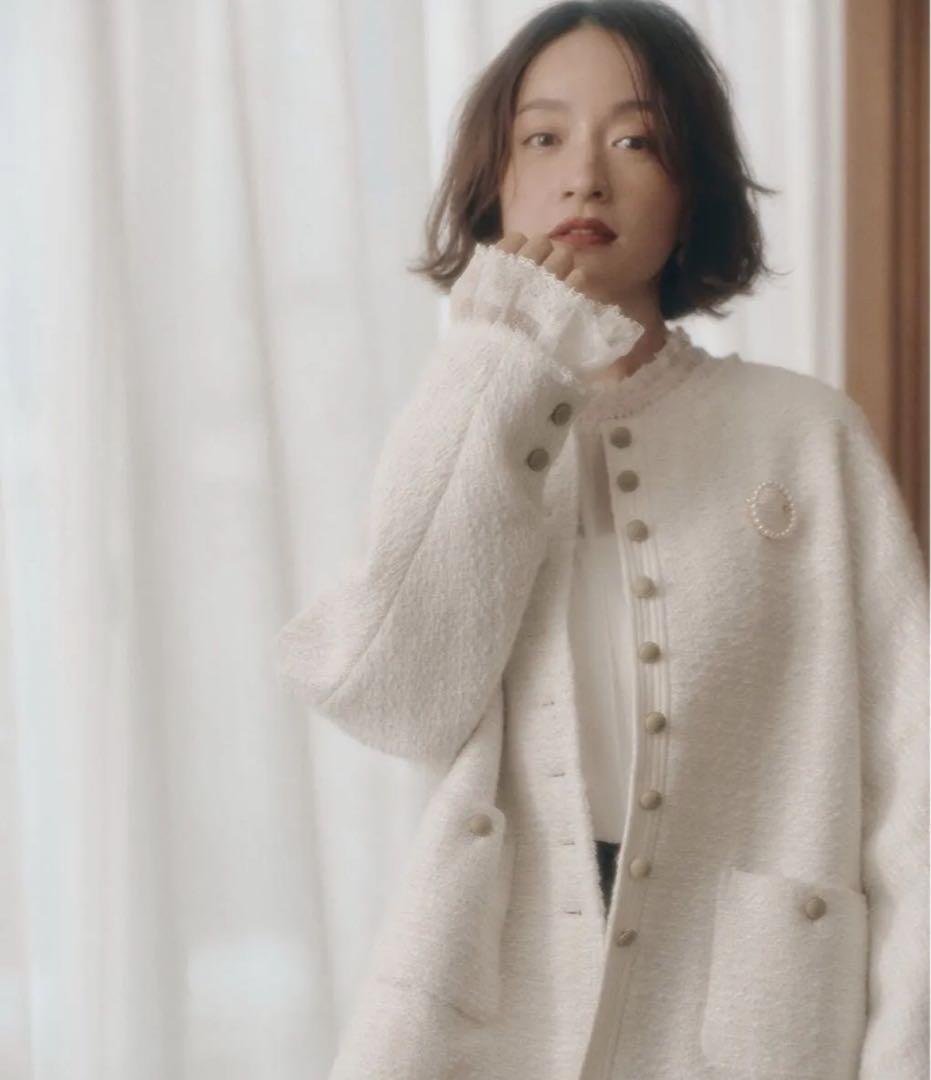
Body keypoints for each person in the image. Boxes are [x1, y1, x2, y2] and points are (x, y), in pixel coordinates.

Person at [275, 3, 930, 1078]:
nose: (583, 177)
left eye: (635, 140)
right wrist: (500, 353)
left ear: (692, 186)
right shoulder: (461, 427)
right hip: (497, 1005)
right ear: (492, 182)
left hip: (753, 1013)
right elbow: (393, 695)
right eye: (542, 137)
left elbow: (916, 796)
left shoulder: (805, 436)